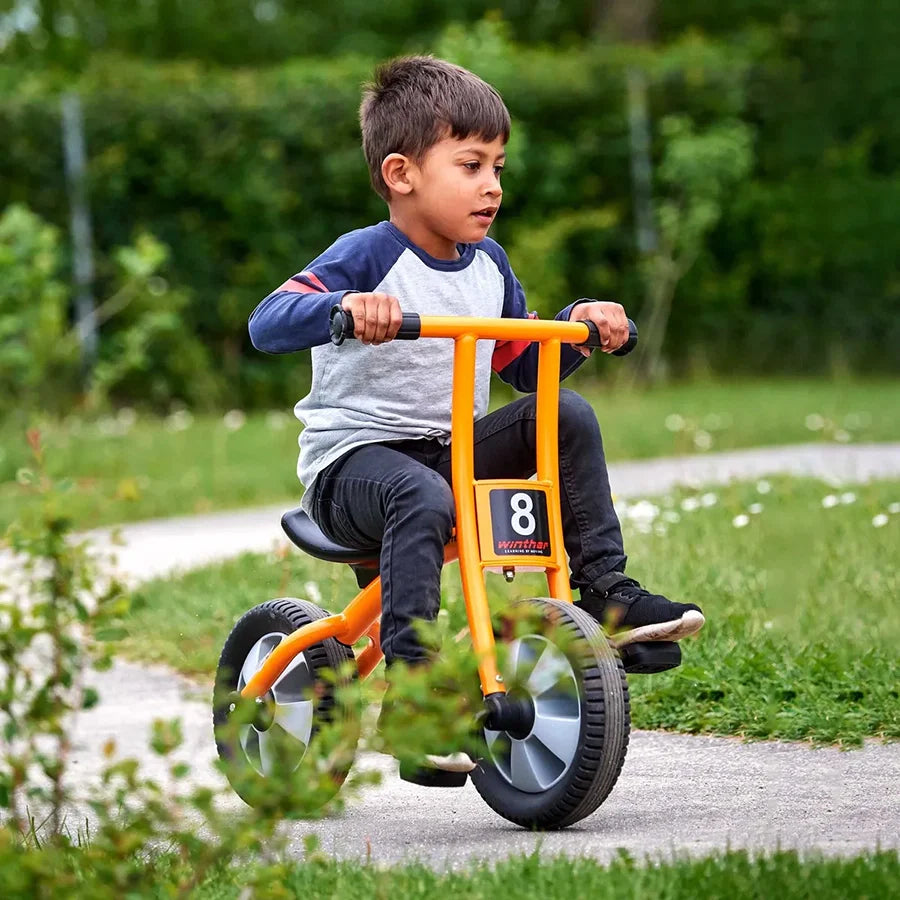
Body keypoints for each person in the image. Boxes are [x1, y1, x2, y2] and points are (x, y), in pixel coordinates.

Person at [248, 56, 704, 772]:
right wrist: (341, 308)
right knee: (419, 492)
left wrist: (579, 323)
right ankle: (416, 696)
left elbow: (522, 367)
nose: (492, 184)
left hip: (448, 454)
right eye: (470, 164)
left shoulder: (488, 266)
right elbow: (267, 322)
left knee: (564, 412)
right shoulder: (366, 256)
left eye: (498, 166)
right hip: (352, 473)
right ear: (402, 175)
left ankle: (608, 595)